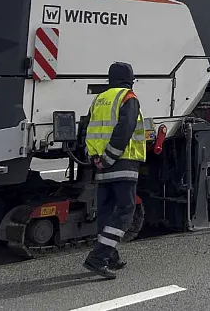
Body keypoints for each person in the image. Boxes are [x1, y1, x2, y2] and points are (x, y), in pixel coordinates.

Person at [82, 62, 146, 279]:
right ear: (130, 79)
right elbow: (124, 129)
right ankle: (98, 258)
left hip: (101, 166)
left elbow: (87, 129)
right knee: (126, 212)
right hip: (123, 163)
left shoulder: (99, 99)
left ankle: (111, 257)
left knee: (107, 212)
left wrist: (97, 159)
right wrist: (110, 157)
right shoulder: (128, 97)